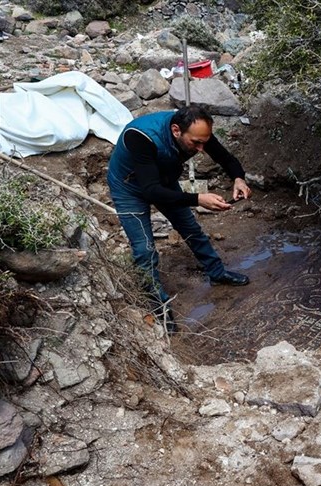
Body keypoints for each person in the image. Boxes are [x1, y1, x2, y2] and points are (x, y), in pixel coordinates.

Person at [106, 105, 251, 332]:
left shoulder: (197, 132)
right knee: (144, 251)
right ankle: (160, 308)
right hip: (129, 188)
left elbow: (225, 158)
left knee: (190, 227)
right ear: (176, 131)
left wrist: (239, 178)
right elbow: (151, 191)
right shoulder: (140, 137)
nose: (201, 149)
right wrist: (197, 199)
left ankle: (217, 273)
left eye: (204, 142)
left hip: (162, 180)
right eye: (196, 144)